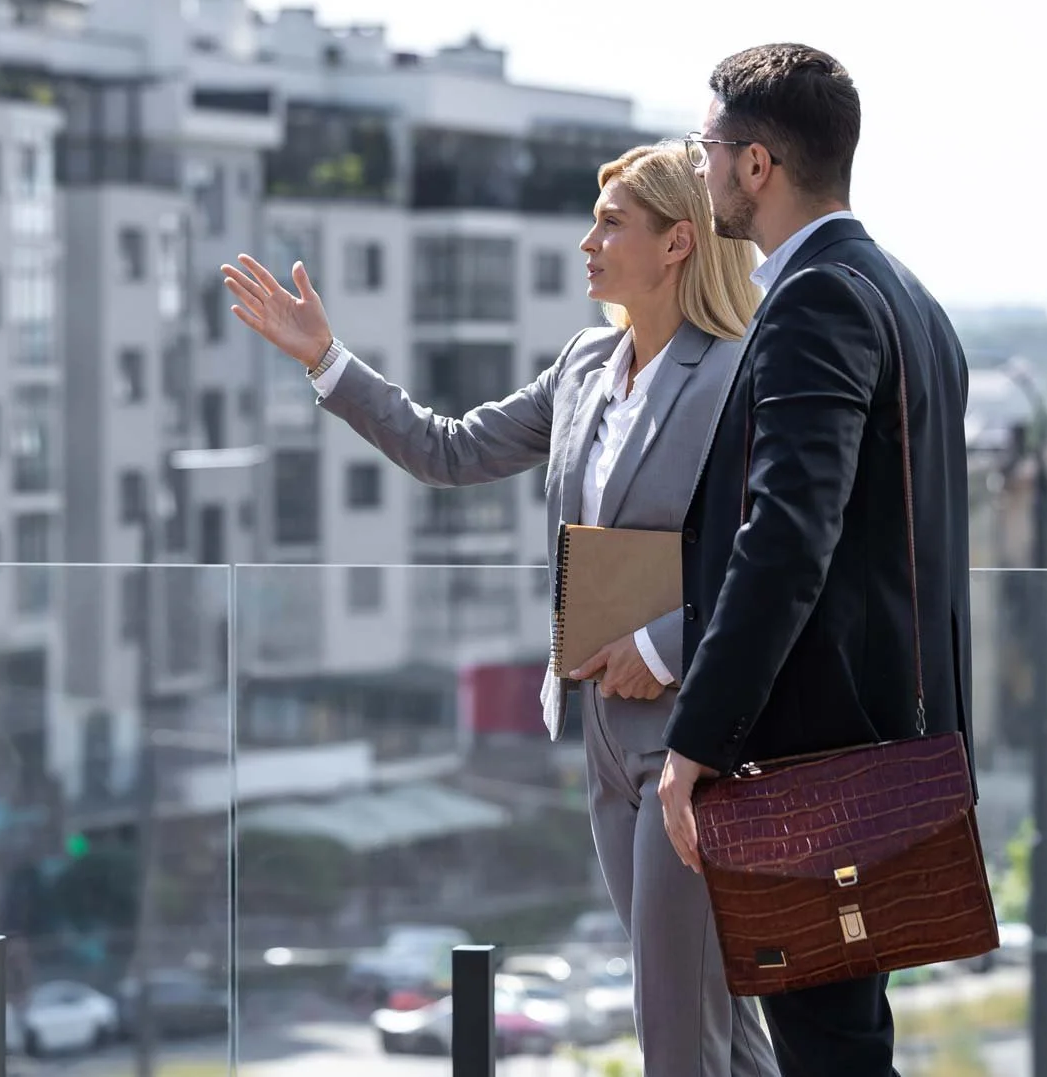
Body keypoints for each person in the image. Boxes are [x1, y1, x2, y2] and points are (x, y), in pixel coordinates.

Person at [222, 144, 778, 1077]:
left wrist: (667, 638)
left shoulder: (735, 373)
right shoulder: (584, 366)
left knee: (678, 1027)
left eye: (612, 223)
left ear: (680, 241)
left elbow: (781, 549)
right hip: (603, 728)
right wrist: (326, 359)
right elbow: (448, 449)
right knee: (710, 1014)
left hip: (694, 734)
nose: (587, 241)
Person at [654, 44, 972, 1077]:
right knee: (841, 1047)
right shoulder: (909, 297)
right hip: (896, 742)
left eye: (706, 148)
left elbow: (786, 536)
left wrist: (696, 736)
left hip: (817, 763)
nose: (699, 170)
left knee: (828, 1056)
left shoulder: (815, 299)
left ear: (755, 165)